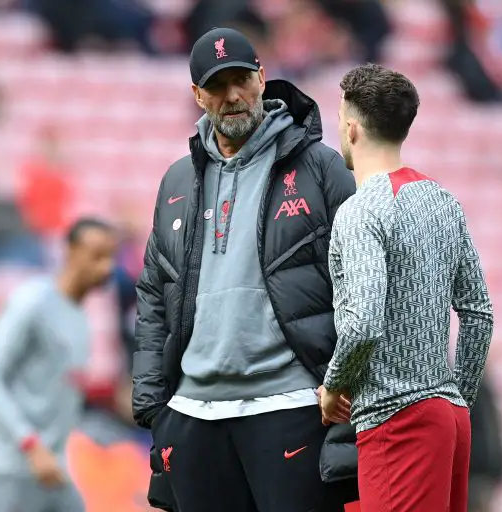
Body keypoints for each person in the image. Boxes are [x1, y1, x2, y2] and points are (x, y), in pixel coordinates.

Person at [132, 27, 358, 512]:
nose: (232, 96)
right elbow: (154, 291)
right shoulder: (177, 178)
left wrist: (344, 381)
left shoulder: (321, 167)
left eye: (241, 79)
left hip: (290, 407)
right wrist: (154, 402)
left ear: (262, 77)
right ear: (197, 95)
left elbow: (362, 282)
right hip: (192, 414)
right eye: (217, 85)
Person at [319, 63, 494, 512]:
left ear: (352, 129)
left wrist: (333, 385)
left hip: (397, 421)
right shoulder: (443, 201)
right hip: (449, 420)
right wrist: (456, 397)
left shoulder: (361, 211)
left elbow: (362, 324)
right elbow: (478, 314)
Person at [0, 218, 118, 512]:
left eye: (111, 256)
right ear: (71, 252)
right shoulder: (32, 301)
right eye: (97, 255)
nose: (106, 267)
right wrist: (30, 444)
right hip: (7, 465)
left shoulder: (80, 317)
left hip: (51, 465)